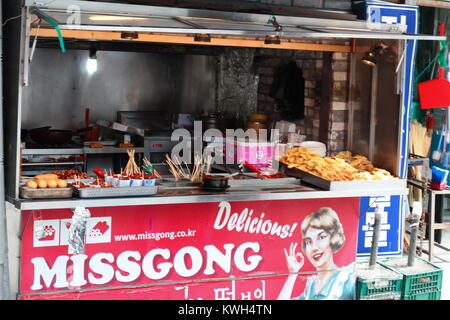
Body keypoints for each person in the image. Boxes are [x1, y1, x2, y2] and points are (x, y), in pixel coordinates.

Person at [277, 207, 355, 300]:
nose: (314, 247)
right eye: (309, 242)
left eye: (321, 237)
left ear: (333, 238)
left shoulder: (346, 280)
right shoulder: (311, 286)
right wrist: (293, 273)